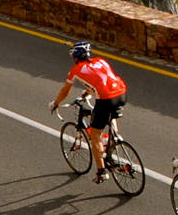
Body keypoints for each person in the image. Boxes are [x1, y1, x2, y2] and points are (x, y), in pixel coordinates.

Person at [49, 41, 127, 183]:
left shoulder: (76, 70)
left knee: (95, 135)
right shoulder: (101, 61)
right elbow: (101, 79)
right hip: (121, 93)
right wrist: (86, 93)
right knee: (109, 114)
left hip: (106, 99)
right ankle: (115, 137)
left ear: (77, 56)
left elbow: (65, 90)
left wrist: (55, 103)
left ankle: (101, 172)